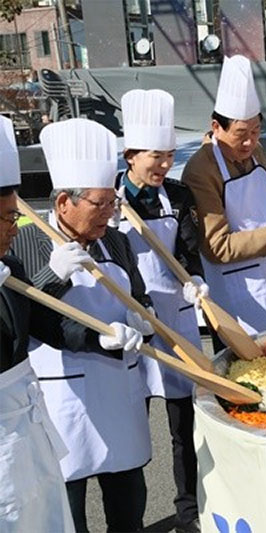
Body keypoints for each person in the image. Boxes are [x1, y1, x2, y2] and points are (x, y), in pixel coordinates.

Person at [12, 118, 155, 533]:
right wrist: (50, 276)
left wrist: (139, 321)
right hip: (63, 397)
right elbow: (27, 318)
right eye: (99, 204)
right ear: (63, 203)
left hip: (120, 393)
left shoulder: (117, 241)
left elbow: (140, 296)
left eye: (113, 203)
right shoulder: (25, 241)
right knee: (68, 509)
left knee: (129, 502)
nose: (109, 215)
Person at [116, 89, 204, 533]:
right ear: (130, 154)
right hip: (126, 325)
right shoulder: (108, 200)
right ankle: (129, 520)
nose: (165, 165)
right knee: (130, 428)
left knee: (182, 427)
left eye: (170, 155)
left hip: (177, 319)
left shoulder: (178, 194)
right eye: (157, 156)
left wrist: (195, 279)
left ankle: (188, 513)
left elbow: (190, 250)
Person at [182, 55, 266, 339]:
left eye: (256, 131)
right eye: (241, 134)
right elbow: (217, 247)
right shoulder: (200, 170)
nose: (249, 142)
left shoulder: (255, 151)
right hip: (240, 291)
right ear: (216, 127)